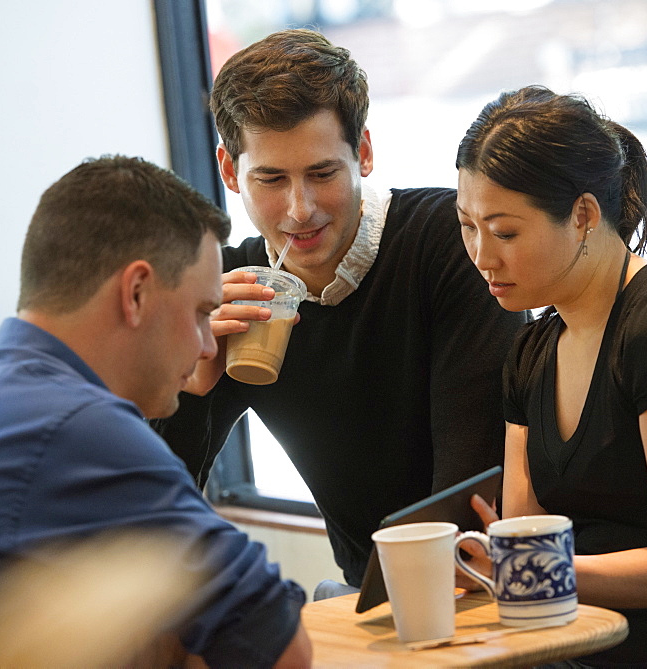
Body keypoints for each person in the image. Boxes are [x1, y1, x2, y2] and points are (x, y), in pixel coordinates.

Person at [0, 156, 312, 668]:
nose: (205, 346)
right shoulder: (73, 425)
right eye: (201, 313)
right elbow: (282, 648)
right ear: (135, 293)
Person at [153, 29, 528, 592]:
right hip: (365, 596)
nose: (299, 210)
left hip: (474, 579)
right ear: (230, 173)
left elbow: (472, 488)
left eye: (323, 174)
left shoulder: (449, 240)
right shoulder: (234, 289)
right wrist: (191, 388)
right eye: (271, 179)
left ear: (366, 153)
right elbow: (156, 521)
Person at [455, 85, 647, 665]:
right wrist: (491, 564)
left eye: (504, 232)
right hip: (570, 649)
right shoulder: (531, 350)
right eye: (467, 226)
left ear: (583, 214)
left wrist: (530, 570)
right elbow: (523, 538)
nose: (482, 255)